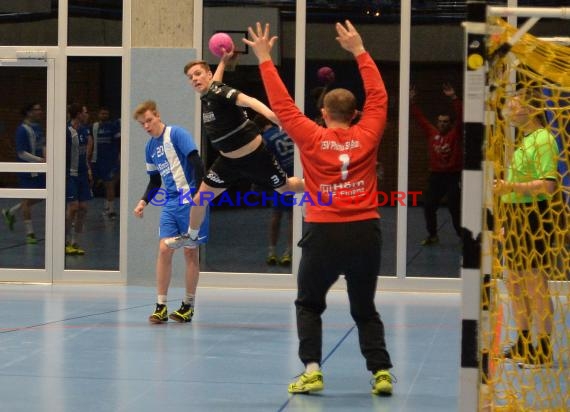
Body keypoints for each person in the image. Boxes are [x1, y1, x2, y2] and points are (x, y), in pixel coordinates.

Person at [244, 20, 394, 396]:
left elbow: (281, 105)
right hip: (365, 230)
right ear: (356, 113)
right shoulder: (369, 131)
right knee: (365, 306)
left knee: (309, 304)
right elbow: (380, 97)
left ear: (324, 113)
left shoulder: (310, 136)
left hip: (323, 231)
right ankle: (381, 373)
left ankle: (312, 370)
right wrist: (359, 50)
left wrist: (263, 57)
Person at [165, 50, 305, 248]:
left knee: (286, 189)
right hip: (228, 163)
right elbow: (216, 83)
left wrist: (277, 120)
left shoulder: (220, 92)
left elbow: (251, 101)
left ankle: (320, 186)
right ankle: (191, 237)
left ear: (208, 75)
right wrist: (223, 62)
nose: (194, 79)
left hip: (256, 157)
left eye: (197, 74)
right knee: (199, 200)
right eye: (190, 77)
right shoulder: (209, 96)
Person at [494, 88, 559, 366]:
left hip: (535, 216)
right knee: (515, 281)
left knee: (535, 284)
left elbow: (549, 184)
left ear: (530, 109)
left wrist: (511, 187)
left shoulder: (543, 139)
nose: (509, 109)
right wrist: (507, 222)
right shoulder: (524, 140)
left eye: (515, 104)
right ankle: (523, 343)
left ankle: (542, 349)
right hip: (517, 215)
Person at [133, 100, 208, 324]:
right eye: (141, 124)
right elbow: (155, 181)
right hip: (171, 201)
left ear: (157, 115)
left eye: (148, 120)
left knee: (190, 252)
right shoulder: (149, 148)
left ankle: (188, 306)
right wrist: (143, 201)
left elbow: (197, 162)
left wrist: (201, 195)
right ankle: (161, 306)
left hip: (190, 197)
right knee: (164, 249)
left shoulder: (177, 134)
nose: (146, 126)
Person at [410, 83, 463, 245]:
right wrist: (411, 101)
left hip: (453, 176)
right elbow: (419, 118)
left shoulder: (455, 134)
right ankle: (432, 235)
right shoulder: (432, 133)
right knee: (428, 205)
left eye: (446, 122)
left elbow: (461, 116)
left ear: (450, 123)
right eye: (440, 121)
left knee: (455, 209)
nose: (442, 124)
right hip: (436, 176)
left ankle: (463, 237)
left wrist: (453, 97)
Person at [252, 113, 294, 265]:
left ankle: (272, 251)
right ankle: (289, 252)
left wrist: (257, 183)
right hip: (295, 178)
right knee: (292, 217)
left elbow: (263, 163)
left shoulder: (265, 139)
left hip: (281, 181)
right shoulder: (286, 130)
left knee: (276, 215)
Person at [2, 103, 46, 244]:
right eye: (36, 110)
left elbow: (43, 145)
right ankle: (30, 233)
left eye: (40, 109)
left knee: (42, 196)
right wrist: (40, 160)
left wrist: (46, 157)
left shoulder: (38, 128)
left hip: (40, 169)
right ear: (29, 112)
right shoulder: (22, 130)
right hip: (27, 170)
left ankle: (11, 211)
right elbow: (21, 153)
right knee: (27, 199)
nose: (40, 112)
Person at [65, 103, 93, 255]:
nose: (87, 115)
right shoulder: (67, 131)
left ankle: (75, 241)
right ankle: (65, 240)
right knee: (73, 207)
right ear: (77, 114)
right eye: (85, 112)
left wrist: (88, 170)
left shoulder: (83, 130)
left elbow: (83, 155)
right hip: (70, 175)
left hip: (82, 174)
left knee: (83, 208)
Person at [91, 107, 121, 219]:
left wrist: (118, 156)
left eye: (106, 113)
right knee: (104, 185)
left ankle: (112, 210)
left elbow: (119, 142)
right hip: (98, 161)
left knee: (110, 184)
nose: (104, 115)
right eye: (102, 113)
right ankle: (107, 207)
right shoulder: (94, 127)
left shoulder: (113, 126)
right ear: (98, 114)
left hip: (111, 160)